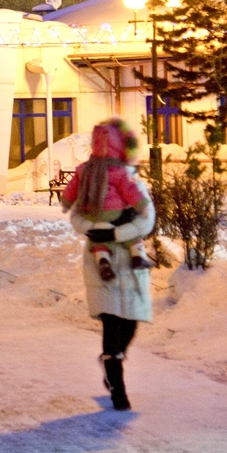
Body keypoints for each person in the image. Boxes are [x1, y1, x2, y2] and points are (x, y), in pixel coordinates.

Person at [61, 117, 155, 412]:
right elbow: (76, 214)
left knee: (130, 323)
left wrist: (116, 233)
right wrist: (93, 229)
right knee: (112, 321)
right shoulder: (89, 177)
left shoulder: (129, 178)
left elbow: (147, 218)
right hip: (100, 260)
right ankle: (117, 386)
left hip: (129, 258)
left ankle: (114, 358)